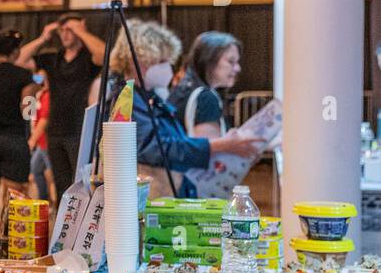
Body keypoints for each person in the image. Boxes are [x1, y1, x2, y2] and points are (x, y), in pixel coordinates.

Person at [104, 21, 262, 197]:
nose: (168, 68)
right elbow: (154, 148)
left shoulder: (148, 98)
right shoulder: (129, 101)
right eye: (161, 61)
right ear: (138, 61)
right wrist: (222, 145)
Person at [17, 14, 106, 207]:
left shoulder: (87, 59)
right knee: (61, 185)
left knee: (81, 183)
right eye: (62, 30)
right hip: (55, 130)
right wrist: (42, 38)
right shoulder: (52, 58)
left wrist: (82, 31)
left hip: (79, 130)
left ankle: (80, 228)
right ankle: (62, 225)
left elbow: (103, 55)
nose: (65, 34)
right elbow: (19, 60)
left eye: (69, 30)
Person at [0, 29, 38, 238]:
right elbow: (27, 111)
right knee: (11, 198)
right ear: (16, 51)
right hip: (14, 139)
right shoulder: (24, 76)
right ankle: (8, 246)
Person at [169, 31, 242, 138]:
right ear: (209, 59)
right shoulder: (205, 97)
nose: (237, 68)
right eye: (231, 61)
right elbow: (211, 149)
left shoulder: (183, 87)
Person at [29, 77, 55, 203]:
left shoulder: (48, 95)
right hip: (41, 143)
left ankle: (52, 202)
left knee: (53, 174)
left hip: (46, 142)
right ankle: (44, 200)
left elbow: (44, 120)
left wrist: (32, 140)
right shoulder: (41, 95)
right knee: (36, 169)